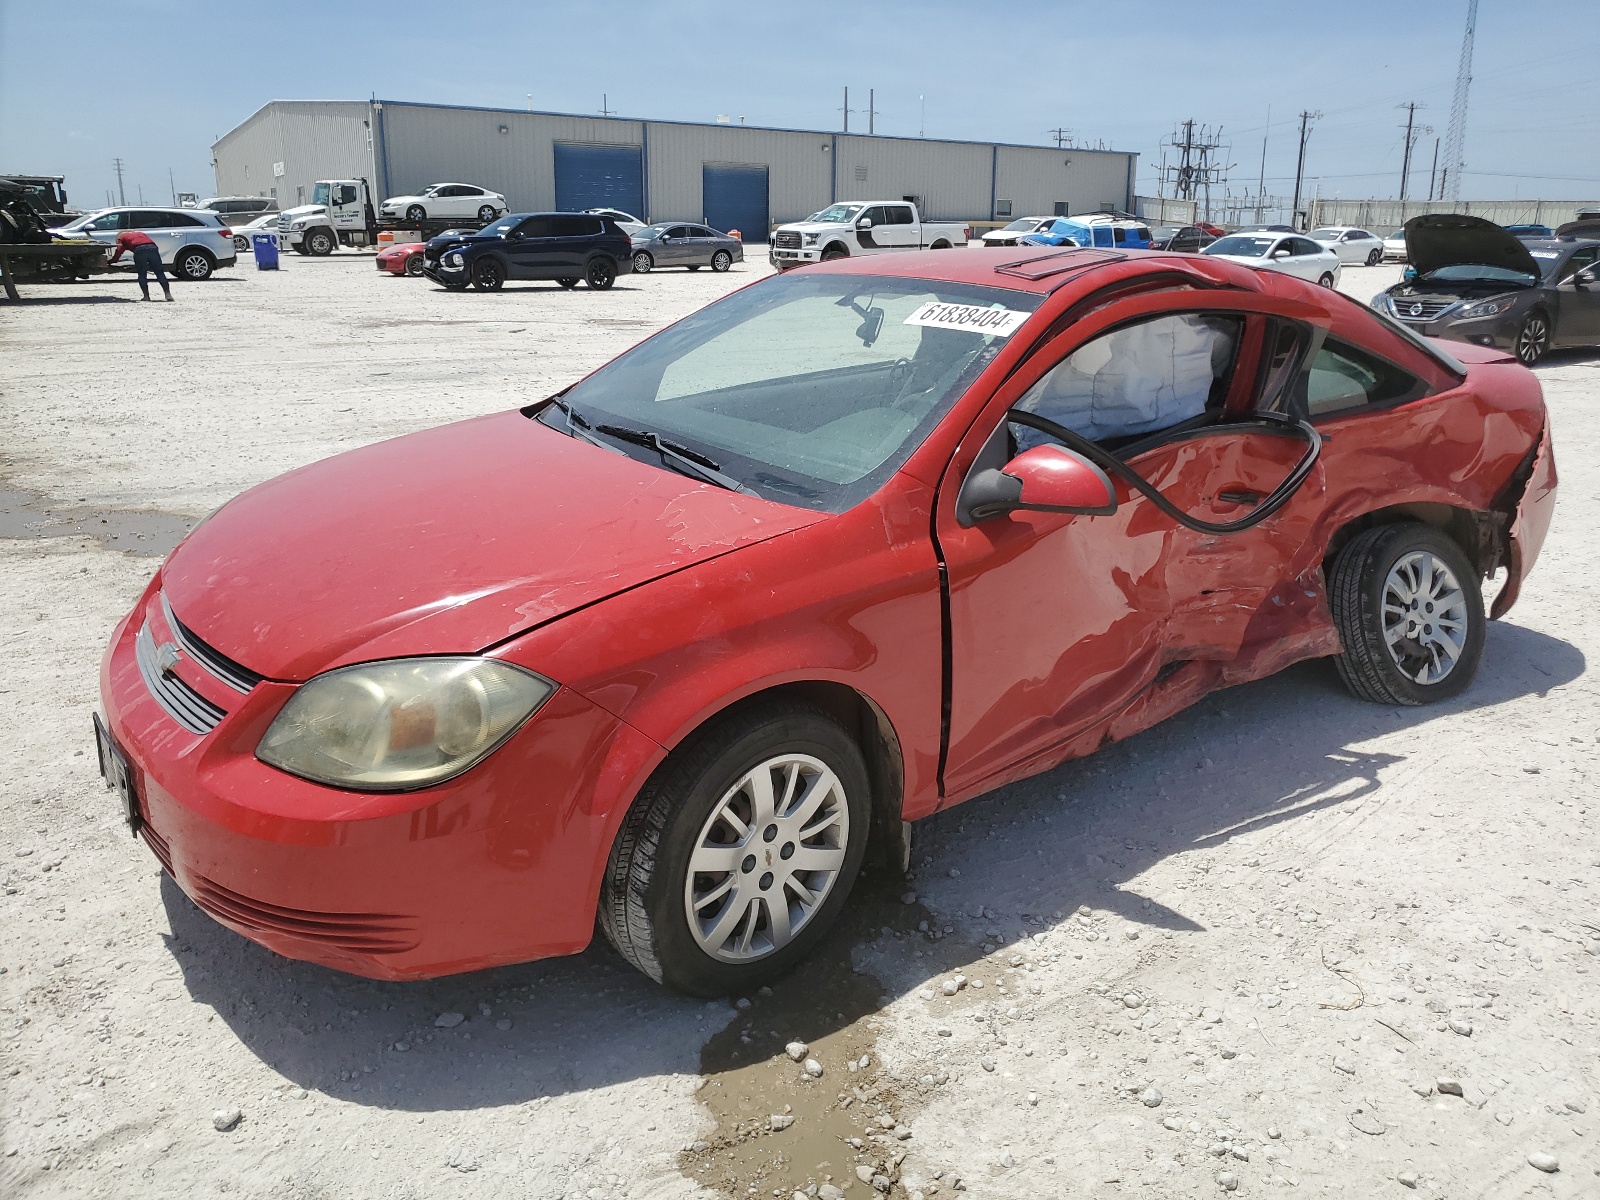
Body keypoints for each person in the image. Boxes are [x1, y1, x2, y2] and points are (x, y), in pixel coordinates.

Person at [108, 228, 172, 301]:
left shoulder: (122, 238)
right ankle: (168, 294)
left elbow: (119, 251)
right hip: (153, 248)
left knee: (142, 274)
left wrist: (111, 261)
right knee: (159, 272)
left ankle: (146, 296)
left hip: (139, 250)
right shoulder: (140, 233)